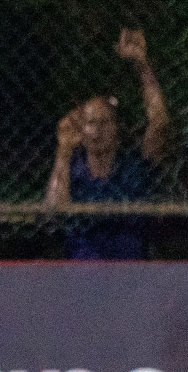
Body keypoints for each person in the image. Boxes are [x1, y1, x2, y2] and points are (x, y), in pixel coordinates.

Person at [44, 28, 168, 260]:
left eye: (105, 122)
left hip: (130, 275)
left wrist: (142, 65)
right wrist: (63, 150)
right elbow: (53, 211)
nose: (98, 130)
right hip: (84, 276)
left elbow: (159, 122)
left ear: (117, 128)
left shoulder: (134, 166)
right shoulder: (73, 170)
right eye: (91, 122)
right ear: (82, 129)